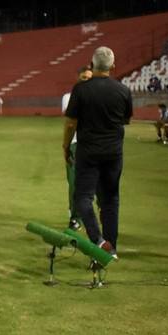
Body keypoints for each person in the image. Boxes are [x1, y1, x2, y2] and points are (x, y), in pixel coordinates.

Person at [63, 47, 132, 258]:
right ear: (113, 66)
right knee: (111, 200)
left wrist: (66, 147)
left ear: (92, 65)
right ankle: (112, 249)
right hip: (113, 153)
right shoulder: (123, 91)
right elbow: (125, 120)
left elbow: (70, 124)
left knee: (82, 197)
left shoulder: (81, 90)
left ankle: (99, 241)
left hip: (88, 152)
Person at [61, 66, 93, 230]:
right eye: (83, 78)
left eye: (89, 78)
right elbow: (71, 117)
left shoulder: (97, 96)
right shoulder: (68, 97)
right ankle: (75, 217)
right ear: (78, 78)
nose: (86, 81)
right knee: (75, 183)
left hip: (94, 145)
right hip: (75, 144)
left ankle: (90, 219)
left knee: (94, 185)